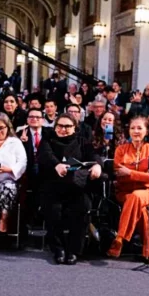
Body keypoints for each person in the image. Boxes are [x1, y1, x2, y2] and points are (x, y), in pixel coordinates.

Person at [39, 113, 101, 265]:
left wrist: (97, 165)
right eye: (60, 126)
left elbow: (94, 155)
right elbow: (45, 156)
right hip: (53, 185)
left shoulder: (82, 141)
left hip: (77, 187)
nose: (63, 129)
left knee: (82, 208)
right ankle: (58, 249)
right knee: (53, 210)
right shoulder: (48, 140)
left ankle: (73, 250)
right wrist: (57, 164)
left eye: (68, 126)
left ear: (75, 128)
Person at [107, 115, 149, 264]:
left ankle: (120, 237)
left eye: (140, 128)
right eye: (133, 128)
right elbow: (120, 176)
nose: (136, 131)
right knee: (140, 207)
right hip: (124, 192)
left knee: (137, 196)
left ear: (147, 131)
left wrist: (131, 172)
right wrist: (143, 175)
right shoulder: (121, 150)